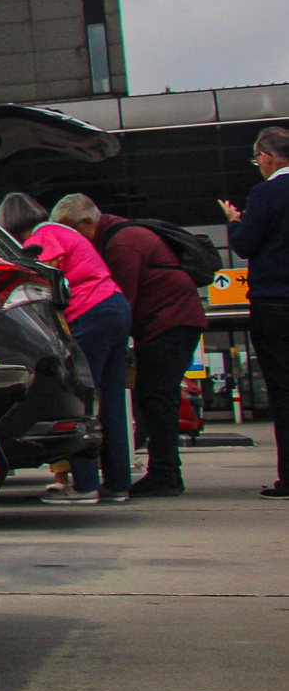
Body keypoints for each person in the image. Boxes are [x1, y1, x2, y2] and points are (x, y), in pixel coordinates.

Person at [53, 193, 204, 499]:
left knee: (157, 398)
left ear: (87, 222)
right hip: (172, 321)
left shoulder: (123, 243)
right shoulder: (122, 235)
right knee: (155, 397)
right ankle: (163, 473)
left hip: (167, 323)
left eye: (72, 232)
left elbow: (121, 297)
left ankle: (164, 475)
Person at [0, 192, 131, 504]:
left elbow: (41, 281)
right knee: (110, 401)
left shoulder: (44, 237)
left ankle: (85, 486)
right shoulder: (65, 232)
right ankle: (118, 484)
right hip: (115, 307)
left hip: (90, 313)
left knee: (81, 401)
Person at [220, 125, 289, 500]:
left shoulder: (266, 193)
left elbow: (246, 246)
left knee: (282, 388)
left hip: (276, 300)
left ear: (267, 157)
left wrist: (235, 222)